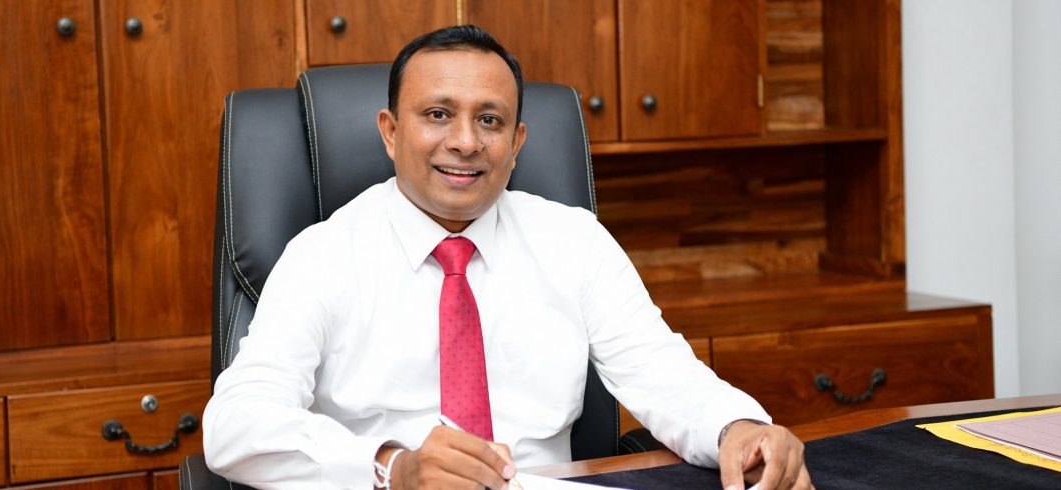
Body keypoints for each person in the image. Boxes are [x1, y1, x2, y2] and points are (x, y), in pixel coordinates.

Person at [203, 25, 812, 490]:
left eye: (489, 120)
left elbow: (664, 374)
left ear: (516, 143)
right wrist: (392, 466)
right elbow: (237, 422)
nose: (466, 142)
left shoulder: (573, 241)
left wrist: (739, 428)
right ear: (390, 131)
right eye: (438, 115)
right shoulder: (323, 255)